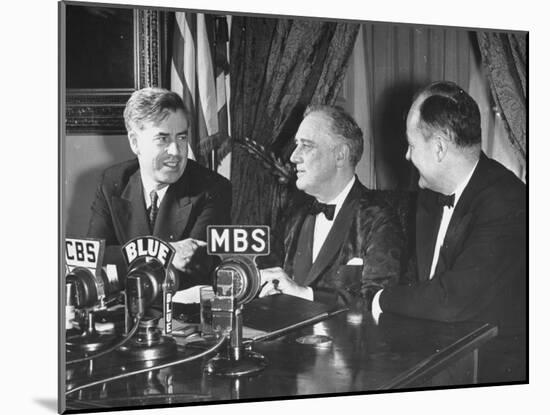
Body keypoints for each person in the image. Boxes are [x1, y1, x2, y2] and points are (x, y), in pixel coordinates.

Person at [371, 81, 526, 331]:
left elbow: (453, 300)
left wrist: (380, 299)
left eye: (411, 146)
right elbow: (414, 281)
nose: (407, 156)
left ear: (440, 148)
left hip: (488, 361)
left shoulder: (508, 201)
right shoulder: (430, 193)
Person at [259, 105, 404, 306]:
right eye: (296, 144)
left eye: (306, 145)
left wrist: (305, 294)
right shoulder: (292, 216)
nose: (293, 157)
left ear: (340, 155)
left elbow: (378, 301)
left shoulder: (379, 218)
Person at [87, 87, 232, 289]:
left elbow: (196, 265)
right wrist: (166, 251)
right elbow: (94, 258)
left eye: (181, 137)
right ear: (135, 142)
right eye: (163, 139)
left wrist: (127, 257)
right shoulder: (113, 181)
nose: (175, 151)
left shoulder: (213, 188)